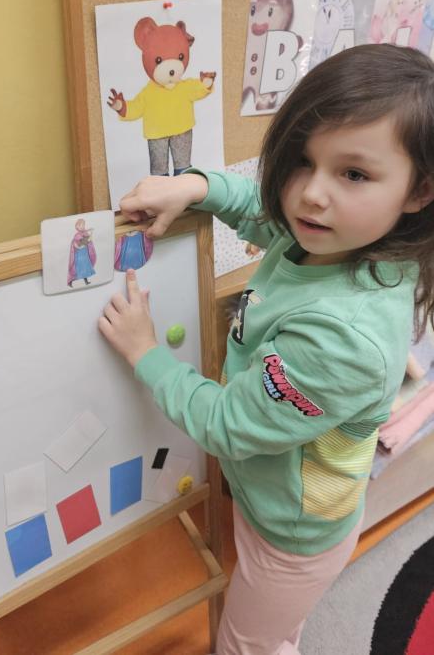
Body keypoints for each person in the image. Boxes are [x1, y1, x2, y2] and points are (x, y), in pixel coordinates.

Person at [98, 44, 434, 655]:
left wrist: (147, 353)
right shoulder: (333, 237)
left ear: (419, 192)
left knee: (245, 642)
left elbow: (228, 425)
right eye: (303, 161)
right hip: (271, 494)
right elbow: (262, 211)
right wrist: (195, 185)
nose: (311, 195)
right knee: (274, 628)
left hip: (293, 534)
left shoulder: (342, 339)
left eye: (354, 174)